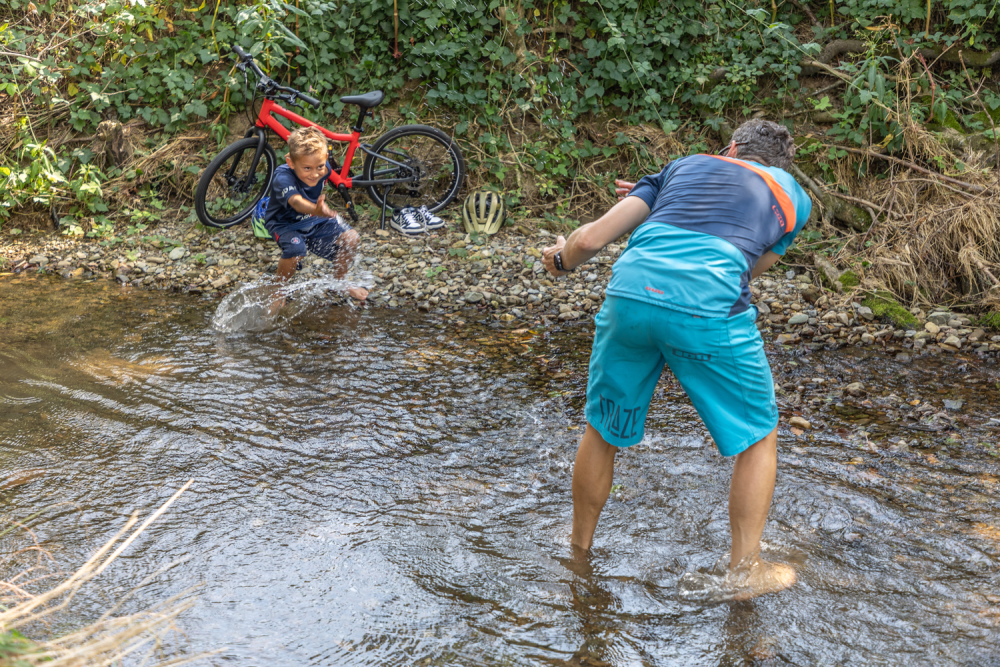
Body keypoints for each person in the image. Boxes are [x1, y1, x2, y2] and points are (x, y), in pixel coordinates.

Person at [542, 119, 812, 599]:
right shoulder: (794, 198)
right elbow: (751, 265)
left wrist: (560, 260)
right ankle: (745, 569)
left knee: (602, 430)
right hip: (707, 305)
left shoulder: (680, 168)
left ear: (731, 147)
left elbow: (588, 241)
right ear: (782, 166)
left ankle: (578, 551)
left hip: (628, 294)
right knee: (758, 435)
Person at [262, 126, 368, 303]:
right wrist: (315, 209)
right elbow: (295, 202)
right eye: (307, 168)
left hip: (313, 219)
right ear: (291, 162)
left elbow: (325, 176)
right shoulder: (282, 177)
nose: (314, 174)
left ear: (326, 158)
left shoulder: (325, 168)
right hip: (284, 224)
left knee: (352, 238)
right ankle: (279, 290)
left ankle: (339, 282)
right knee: (297, 250)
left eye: (318, 166)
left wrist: (319, 212)